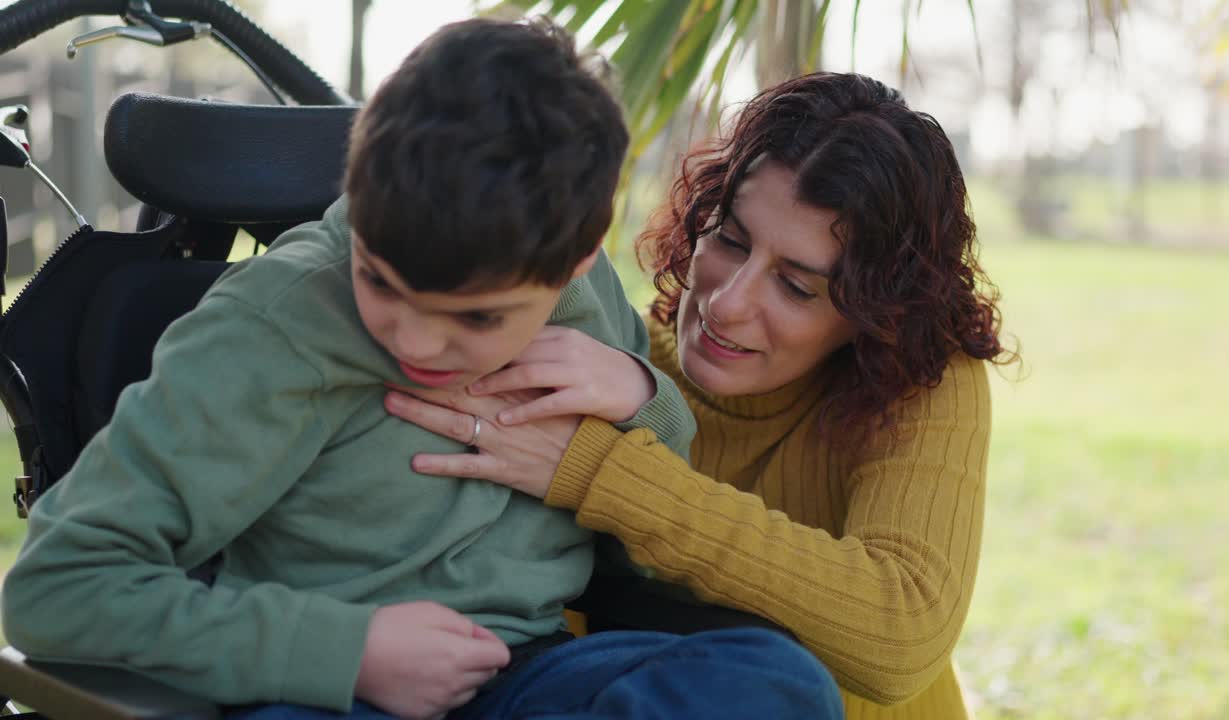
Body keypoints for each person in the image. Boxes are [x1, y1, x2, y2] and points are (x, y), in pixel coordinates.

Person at [0, 19, 843, 720]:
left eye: (477, 317)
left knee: (777, 683)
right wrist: (345, 652)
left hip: (531, 674)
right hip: (330, 689)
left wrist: (642, 400)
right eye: (378, 279)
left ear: (579, 259)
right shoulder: (272, 326)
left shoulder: (585, 297)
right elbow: (58, 588)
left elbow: (646, 564)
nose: (414, 341)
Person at [384, 71, 1015, 719]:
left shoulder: (917, 380)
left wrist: (597, 473)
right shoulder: (612, 364)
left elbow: (901, 635)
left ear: (874, 316)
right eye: (730, 240)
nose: (727, 303)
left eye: (796, 287)